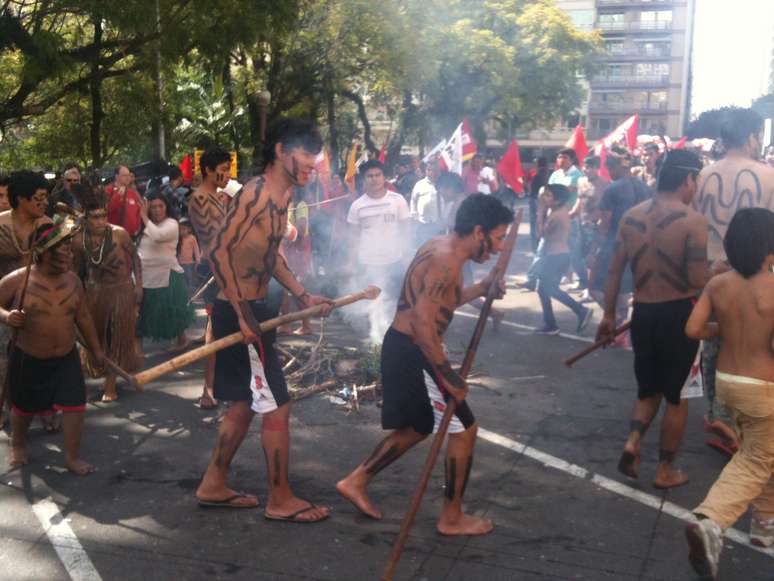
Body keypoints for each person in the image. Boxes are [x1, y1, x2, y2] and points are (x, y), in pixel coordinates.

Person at [336, 193, 512, 535]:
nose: (500, 248)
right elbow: (422, 324)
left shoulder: (443, 248)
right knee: (465, 428)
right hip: (415, 349)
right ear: (479, 231)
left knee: (418, 426)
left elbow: (441, 302)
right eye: (499, 238)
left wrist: (482, 287)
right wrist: (449, 377)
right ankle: (452, 517)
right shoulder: (446, 261)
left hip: (406, 347)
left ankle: (356, 480)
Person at [196, 118, 333, 519]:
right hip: (240, 312)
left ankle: (213, 483)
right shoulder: (255, 194)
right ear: (280, 150)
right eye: (307, 153)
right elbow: (219, 253)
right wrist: (241, 315)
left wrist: (303, 294)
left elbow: (270, 255)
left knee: (242, 404)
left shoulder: (281, 197)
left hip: (254, 311)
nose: (314, 162)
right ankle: (280, 499)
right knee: (277, 407)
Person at [596, 150, 707, 489]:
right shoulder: (693, 222)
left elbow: (614, 270)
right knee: (676, 396)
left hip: (642, 313)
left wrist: (609, 314)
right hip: (679, 316)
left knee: (648, 389)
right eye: (696, 181)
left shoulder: (630, 217)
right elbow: (697, 279)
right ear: (688, 179)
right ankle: (665, 470)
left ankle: (633, 441)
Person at [683, 208, 774, 579]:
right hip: (763, 385)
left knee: (765, 451)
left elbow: (692, 329)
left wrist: (722, 330)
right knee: (755, 459)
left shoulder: (718, 285)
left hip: (728, 384)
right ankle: (711, 521)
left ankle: (764, 526)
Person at [692, 108, 774, 455]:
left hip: (714, 274)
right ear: (753, 137)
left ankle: (721, 416)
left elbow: (697, 227)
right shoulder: (768, 176)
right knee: (760, 347)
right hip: (757, 274)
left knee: (716, 349)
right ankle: (751, 426)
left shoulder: (703, 176)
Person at [0, 221, 104, 474]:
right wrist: (6, 316)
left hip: (66, 357)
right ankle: (18, 444)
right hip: (29, 356)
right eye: (65, 250)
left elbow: (84, 318)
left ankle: (71, 458)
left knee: (75, 406)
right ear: (45, 252)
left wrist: (96, 350)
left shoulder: (73, 282)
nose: (70, 254)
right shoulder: (18, 281)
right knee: (24, 409)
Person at [73, 183, 143, 402]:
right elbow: (75, 272)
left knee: (115, 336)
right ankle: (99, 374)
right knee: (96, 337)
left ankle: (110, 384)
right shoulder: (78, 240)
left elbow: (136, 258)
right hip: (94, 292)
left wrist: (139, 285)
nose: (101, 221)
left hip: (121, 290)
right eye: (95, 217)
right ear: (85, 219)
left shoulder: (119, 234)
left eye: (103, 216)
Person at [0, 172, 54, 430]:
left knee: (42, 360)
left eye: (46, 198)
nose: (44, 203)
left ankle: (45, 408)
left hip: (40, 302)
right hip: (4, 302)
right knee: (4, 362)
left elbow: (60, 264)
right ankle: (6, 408)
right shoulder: (0, 226)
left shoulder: (48, 226)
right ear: (21, 199)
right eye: (39, 198)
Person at [589, 148, 651, 339]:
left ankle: (615, 321)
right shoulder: (645, 187)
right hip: (640, 245)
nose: (608, 173)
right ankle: (620, 329)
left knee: (595, 288)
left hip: (614, 245)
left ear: (615, 168)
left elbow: (605, 222)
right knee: (625, 289)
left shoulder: (612, 188)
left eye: (609, 168)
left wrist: (594, 249)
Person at [348, 159, 411, 340]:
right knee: (373, 305)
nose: (374, 179)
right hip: (368, 264)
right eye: (370, 176)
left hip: (394, 261)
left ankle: (394, 340)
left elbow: (406, 231)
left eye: (378, 175)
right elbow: (353, 239)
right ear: (363, 180)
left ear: (384, 177)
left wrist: (408, 258)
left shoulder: (397, 201)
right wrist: (351, 265)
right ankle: (377, 341)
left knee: (395, 304)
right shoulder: (357, 206)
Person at [187, 148, 230, 410]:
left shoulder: (216, 197)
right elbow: (213, 239)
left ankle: (229, 384)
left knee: (230, 326)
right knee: (214, 329)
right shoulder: (200, 198)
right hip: (214, 270)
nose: (226, 174)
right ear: (208, 170)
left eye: (227, 168)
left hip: (227, 268)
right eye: (222, 169)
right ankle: (208, 389)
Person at [135, 192, 193, 351]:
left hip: (167, 275)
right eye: (153, 207)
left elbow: (158, 236)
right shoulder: (146, 227)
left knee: (172, 312)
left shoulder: (172, 224)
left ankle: (182, 340)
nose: (157, 210)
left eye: (161, 206)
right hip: (146, 277)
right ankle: (137, 349)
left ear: (167, 208)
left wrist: (144, 217)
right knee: (142, 314)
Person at [534, 184, 593, 335]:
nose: (543, 198)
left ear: (557, 200)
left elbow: (540, 235)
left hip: (556, 257)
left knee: (548, 288)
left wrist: (539, 213)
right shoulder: (556, 210)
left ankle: (580, 310)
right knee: (543, 288)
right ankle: (550, 323)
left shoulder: (556, 215)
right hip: (556, 255)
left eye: (548, 195)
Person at [549, 148, 587, 292]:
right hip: (554, 216)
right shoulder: (555, 174)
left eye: (564, 157)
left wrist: (553, 192)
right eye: (559, 157)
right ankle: (564, 275)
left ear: (571, 159)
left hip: (570, 217)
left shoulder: (578, 175)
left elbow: (564, 192)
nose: (561, 160)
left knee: (574, 250)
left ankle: (583, 280)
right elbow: (549, 192)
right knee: (553, 248)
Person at [578, 155, 610, 302]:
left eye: (590, 167)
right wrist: (571, 215)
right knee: (583, 257)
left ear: (597, 168)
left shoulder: (604, 184)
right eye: (585, 166)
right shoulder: (581, 181)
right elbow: (580, 201)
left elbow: (605, 207)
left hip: (595, 225)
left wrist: (596, 222)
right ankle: (588, 286)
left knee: (592, 258)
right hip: (581, 224)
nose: (586, 169)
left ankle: (591, 289)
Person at [283, 187, 314, 334]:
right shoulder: (286, 205)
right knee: (283, 287)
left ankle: (306, 325)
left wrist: (287, 231)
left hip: (298, 252)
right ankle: (285, 324)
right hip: (287, 251)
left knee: (299, 288)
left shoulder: (300, 205)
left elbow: (301, 229)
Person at [410, 157, 443, 246]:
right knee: (424, 250)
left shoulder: (443, 184)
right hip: (423, 225)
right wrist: (415, 219)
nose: (430, 172)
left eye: (433, 170)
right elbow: (413, 202)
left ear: (438, 171)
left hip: (440, 226)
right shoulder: (419, 184)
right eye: (428, 170)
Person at [106, 165, 143, 238]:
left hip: (132, 236)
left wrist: (137, 228)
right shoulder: (108, 190)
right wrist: (118, 196)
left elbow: (139, 211)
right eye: (124, 175)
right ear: (116, 176)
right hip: (115, 236)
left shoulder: (132, 193)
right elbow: (107, 209)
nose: (128, 178)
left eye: (129, 175)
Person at [527, 157, 549, 252]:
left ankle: (536, 247)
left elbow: (532, 189)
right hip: (544, 200)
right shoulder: (548, 174)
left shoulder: (537, 175)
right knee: (542, 222)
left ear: (538, 164)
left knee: (535, 224)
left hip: (536, 200)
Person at [177, 218, 200, 292]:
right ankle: (184, 291)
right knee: (182, 279)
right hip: (180, 263)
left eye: (184, 229)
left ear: (189, 229)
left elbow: (196, 250)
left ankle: (191, 292)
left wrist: (198, 260)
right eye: (180, 229)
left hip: (190, 263)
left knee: (190, 278)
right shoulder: (178, 239)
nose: (182, 231)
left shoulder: (192, 238)